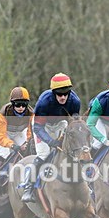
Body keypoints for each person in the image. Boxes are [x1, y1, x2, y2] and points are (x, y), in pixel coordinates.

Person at [20, 73, 81, 203]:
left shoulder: (75, 101)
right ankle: (28, 187)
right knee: (44, 154)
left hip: (61, 123)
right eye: (59, 94)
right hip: (43, 125)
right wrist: (51, 141)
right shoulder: (44, 102)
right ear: (54, 93)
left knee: (73, 151)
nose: (63, 97)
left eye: (66, 93)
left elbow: (74, 123)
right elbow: (38, 128)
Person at [0, 86, 33, 189]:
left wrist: (27, 142)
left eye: (24, 105)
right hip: (4, 132)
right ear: (12, 104)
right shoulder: (4, 113)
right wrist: (13, 145)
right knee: (5, 154)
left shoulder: (31, 113)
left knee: (27, 151)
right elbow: (0, 136)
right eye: (18, 104)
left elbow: (31, 132)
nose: (21, 108)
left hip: (19, 132)